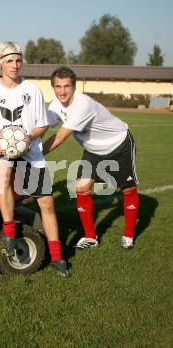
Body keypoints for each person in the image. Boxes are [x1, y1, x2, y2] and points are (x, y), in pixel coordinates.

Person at [0, 42, 68, 276]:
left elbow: (42, 125)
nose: (15, 65)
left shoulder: (33, 90)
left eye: (18, 60)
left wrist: (27, 139)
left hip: (31, 153)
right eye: (9, 60)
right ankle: (9, 234)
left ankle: (57, 256)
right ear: (0, 62)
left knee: (47, 203)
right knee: (4, 172)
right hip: (3, 152)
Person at [44, 67, 139, 250]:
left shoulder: (82, 104)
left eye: (66, 86)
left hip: (119, 145)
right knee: (81, 187)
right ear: (53, 88)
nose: (62, 91)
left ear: (74, 86)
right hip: (93, 151)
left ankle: (128, 235)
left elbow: (61, 137)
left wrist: (37, 154)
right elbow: (43, 125)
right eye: (58, 86)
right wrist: (27, 141)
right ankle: (91, 237)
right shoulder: (55, 105)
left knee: (127, 188)